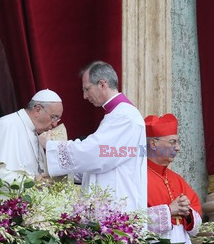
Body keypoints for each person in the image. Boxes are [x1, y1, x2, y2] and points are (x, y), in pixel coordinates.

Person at [39, 61, 147, 211]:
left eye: (87, 89)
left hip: (118, 205)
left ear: (103, 84)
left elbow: (95, 152)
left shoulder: (124, 117)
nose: (84, 96)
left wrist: (52, 146)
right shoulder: (117, 115)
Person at [0, 89, 64, 183]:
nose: (55, 124)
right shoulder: (6, 125)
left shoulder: (38, 133)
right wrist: (32, 181)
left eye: (57, 119)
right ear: (37, 110)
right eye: (53, 117)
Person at [145, 113, 202, 244]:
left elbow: (197, 221)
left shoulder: (177, 179)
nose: (177, 148)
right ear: (153, 143)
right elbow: (130, 221)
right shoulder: (136, 176)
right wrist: (169, 210)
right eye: (172, 142)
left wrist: (188, 213)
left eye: (177, 142)